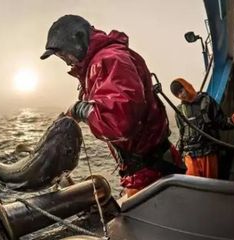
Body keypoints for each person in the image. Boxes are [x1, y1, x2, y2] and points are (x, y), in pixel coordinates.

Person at [40, 15, 185, 197]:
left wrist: (79, 109)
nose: (67, 62)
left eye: (64, 54)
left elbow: (119, 123)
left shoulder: (109, 60)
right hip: (146, 172)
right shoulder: (103, 61)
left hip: (152, 174)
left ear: (77, 40)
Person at [170, 78, 234, 178]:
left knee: (209, 184)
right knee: (193, 187)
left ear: (187, 86)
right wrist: (179, 153)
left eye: (181, 91)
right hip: (189, 156)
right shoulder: (179, 111)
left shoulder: (207, 101)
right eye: (177, 94)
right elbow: (182, 133)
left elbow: (220, 121)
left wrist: (232, 121)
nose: (181, 95)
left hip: (208, 153)